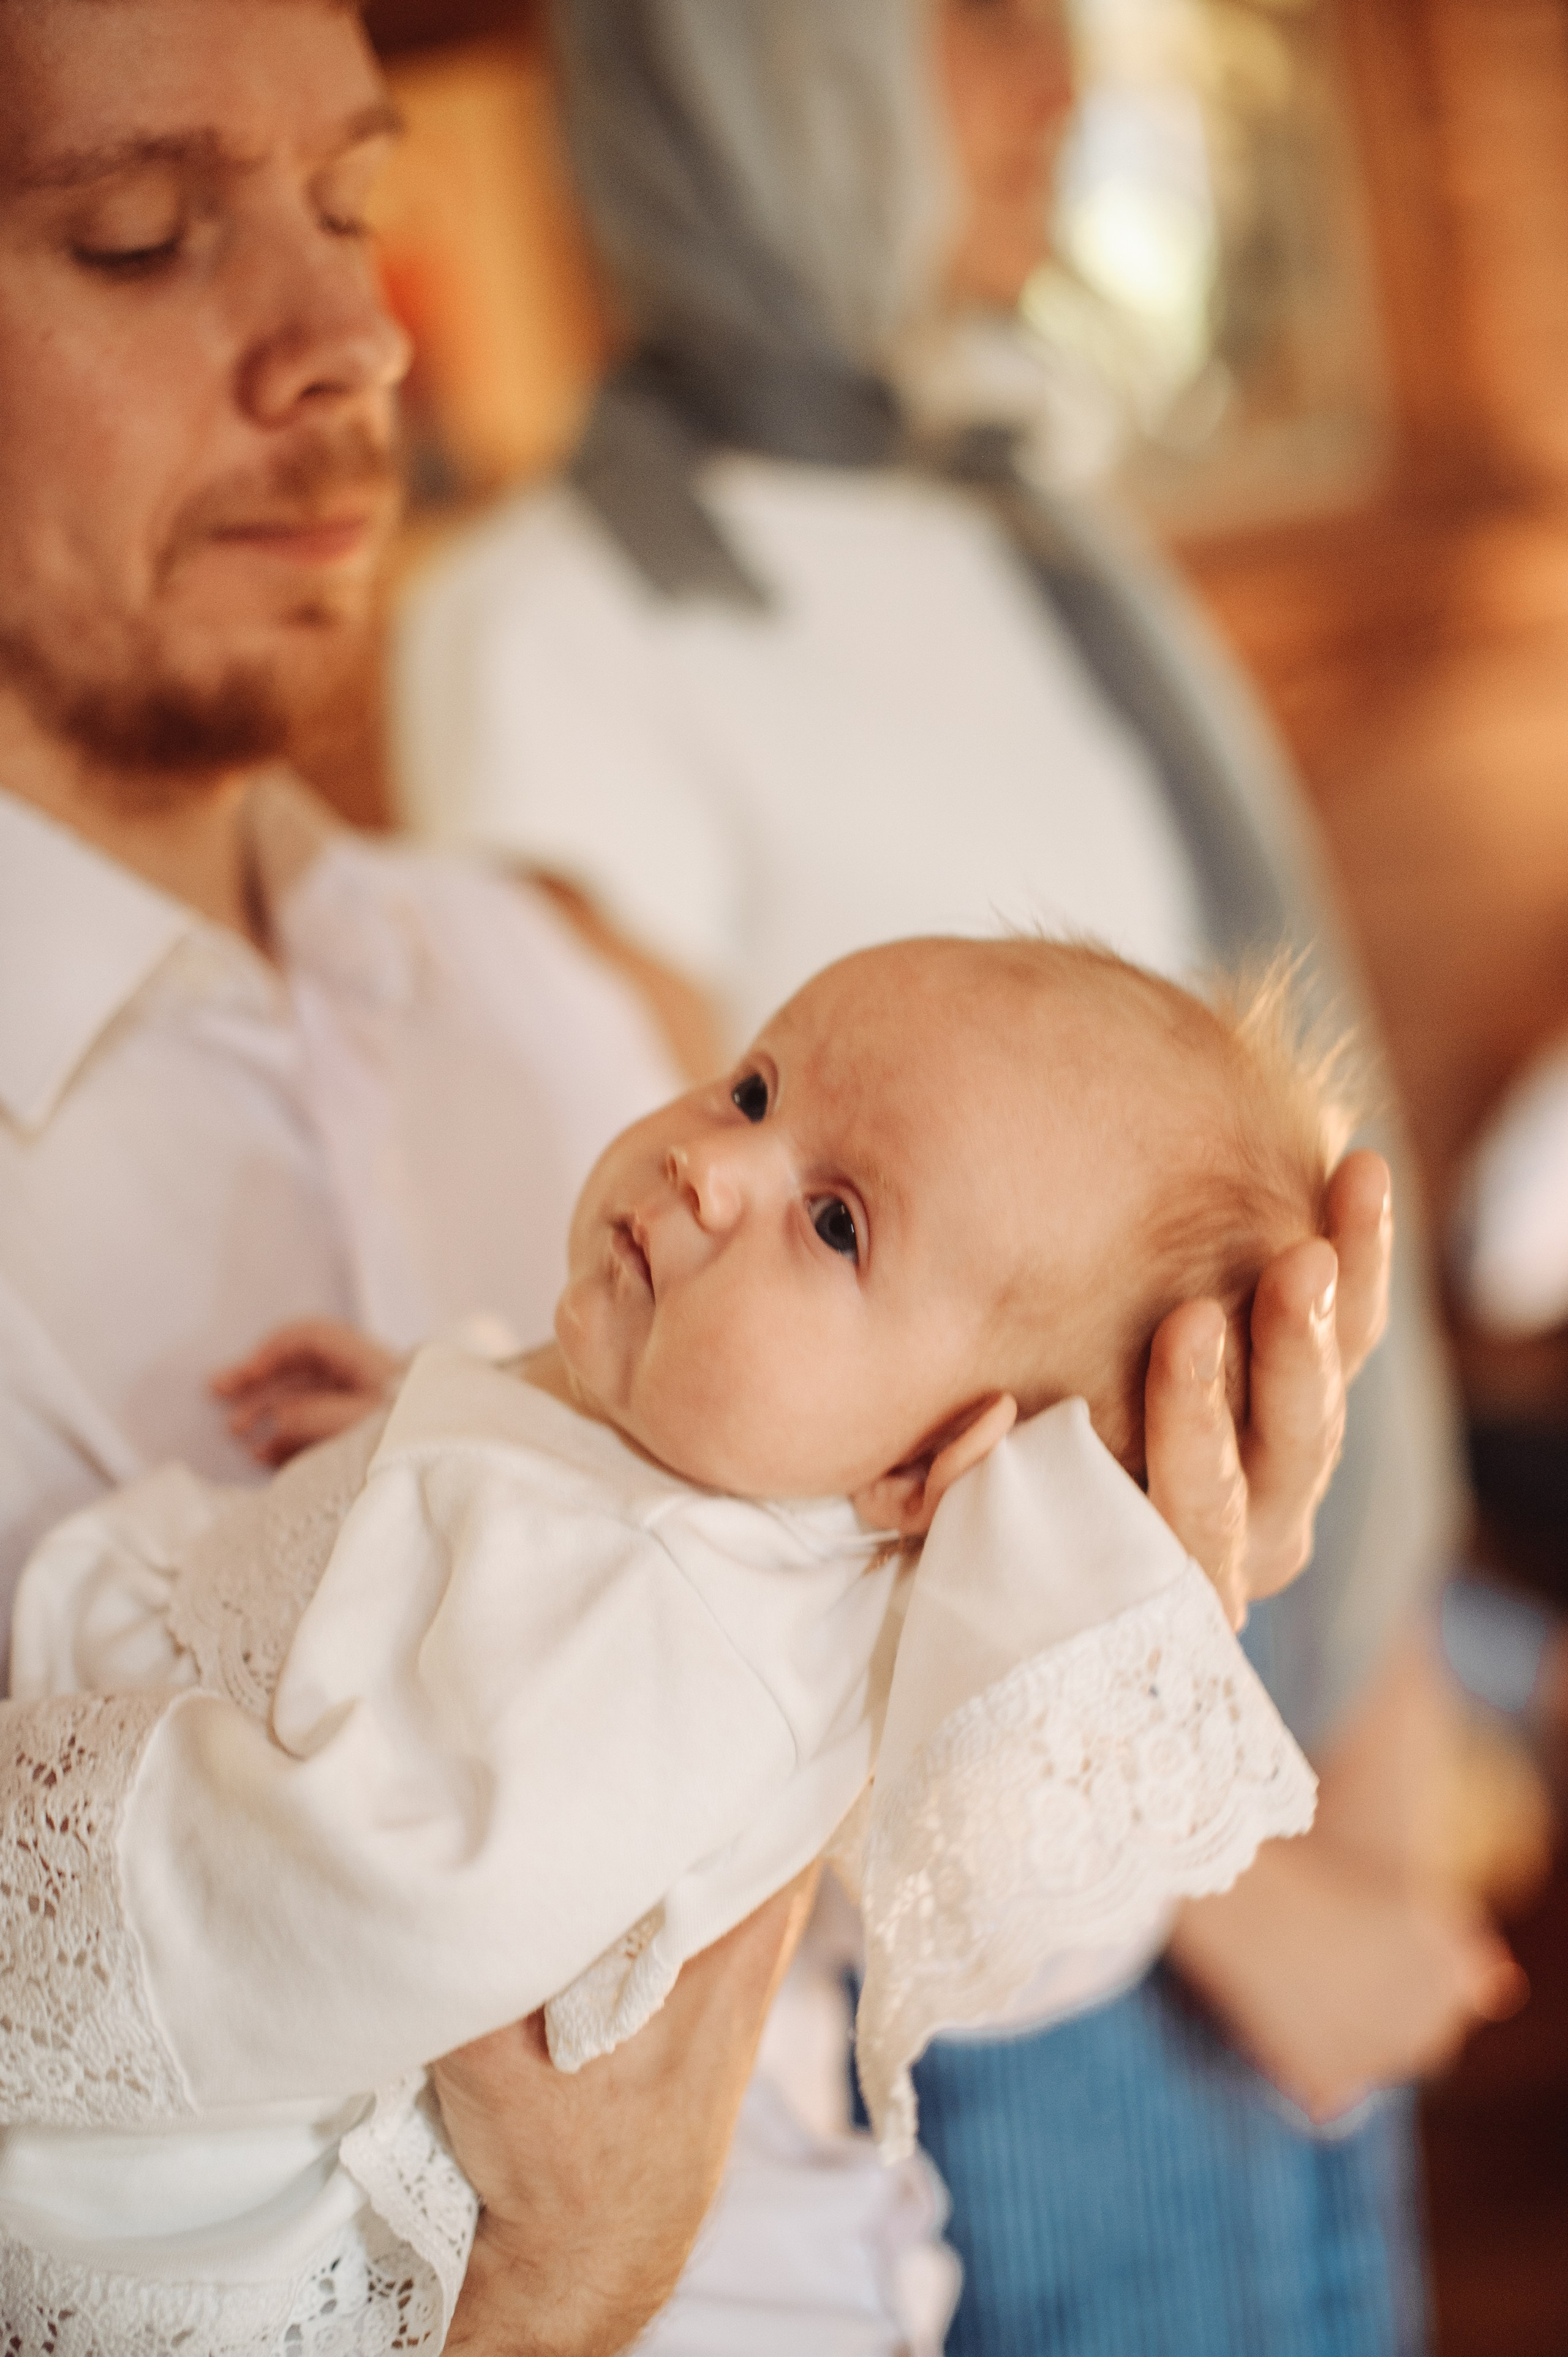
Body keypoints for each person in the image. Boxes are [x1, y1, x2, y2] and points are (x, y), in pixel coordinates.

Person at [0, 0, 1417, 2347]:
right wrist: (565, 2269)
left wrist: (1117, 1617)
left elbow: (904, 1918)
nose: (355, 334)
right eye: (141, 239)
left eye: (355, 205)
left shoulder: (515, 965)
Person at [392, 2, 1522, 2349]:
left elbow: (1190, 1236)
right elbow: (665, 1416)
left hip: (1247, 1754)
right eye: (972, 22)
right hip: (1017, 1915)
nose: (1061, 82)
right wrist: (1234, 1885)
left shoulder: (1019, 509)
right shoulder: (564, 621)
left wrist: (1364, 1720)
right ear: (756, 81)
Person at [6, 935, 1337, 2345]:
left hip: (210, 2149)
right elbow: (593, 1480)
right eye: (754, 1088)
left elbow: (391, 1889)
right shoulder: (733, 1485)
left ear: (921, 1474)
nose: (712, 1164)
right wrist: (435, 1407)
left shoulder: (676, 1651)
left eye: (835, 1223)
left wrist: (53, 1888)